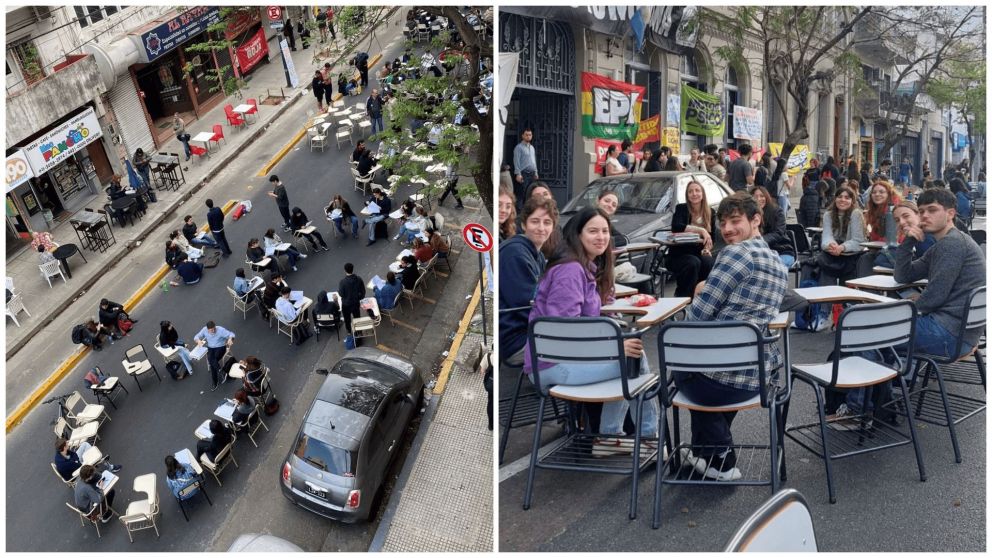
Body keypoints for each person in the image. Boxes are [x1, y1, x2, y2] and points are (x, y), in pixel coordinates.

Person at [833, 189, 985, 428]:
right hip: (959, 333)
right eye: (922, 211)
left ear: (950, 214)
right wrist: (909, 241)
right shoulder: (946, 243)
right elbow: (903, 275)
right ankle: (882, 405)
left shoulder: (952, 244)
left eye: (932, 210)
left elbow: (933, 298)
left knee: (863, 333)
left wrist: (903, 307)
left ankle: (858, 411)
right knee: (875, 333)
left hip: (949, 335)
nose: (924, 216)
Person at [524, 207, 660, 454]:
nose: (601, 237)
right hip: (552, 365)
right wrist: (614, 347)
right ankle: (647, 439)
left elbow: (587, 313)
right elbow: (564, 330)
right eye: (593, 231)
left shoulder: (581, 266)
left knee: (632, 354)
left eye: (605, 231)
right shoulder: (571, 270)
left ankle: (613, 436)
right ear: (578, 235)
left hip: (556, 360)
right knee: (634, 359)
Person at [677, 192, 788, 480]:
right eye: (723, 223)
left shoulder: (735, 254)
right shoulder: (778, 263)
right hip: (759, 377)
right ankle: (705, 453)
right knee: (702, 366)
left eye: (735, 221)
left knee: (679, 362)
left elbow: (697, 317)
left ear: (756, 220)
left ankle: (721, 458)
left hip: (720, 378)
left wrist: (697, 294)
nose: (727, 229)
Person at [499, 196, 557, 365]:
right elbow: (530, 306)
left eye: (547, 222)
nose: (541, 228)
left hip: (530, 332)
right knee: (584, 346)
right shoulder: (515, 254)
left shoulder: (536, 254)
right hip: (517, 342)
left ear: (553, 227)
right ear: (524, 224)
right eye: (535, 221)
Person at [816, 185, 865, 320]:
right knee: (825, 269)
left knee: (848, 281)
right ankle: (824, 313)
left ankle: (847, 315)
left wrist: (842, 247)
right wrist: (831, 245)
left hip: (851, 255)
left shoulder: (856, 214)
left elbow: (858, 241)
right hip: (832, 254)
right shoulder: (828, 214)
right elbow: (826, 237)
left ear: (852, 200)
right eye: (840, 196)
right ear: (835, 198)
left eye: (847, 197)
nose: (843, 200)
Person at [669, 181, 716, 297]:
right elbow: (676, 226)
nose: (694, 194)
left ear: (702, 194)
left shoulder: (710, 212)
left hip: (699, 253)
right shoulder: (681, 208)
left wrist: (707, 249)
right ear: (687, 195)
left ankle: (702, 296)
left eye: (697, 190)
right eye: (690, 191)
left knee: (708, 262)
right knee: (693, 263)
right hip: (679, 254)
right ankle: (684, 297)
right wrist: (701, 230)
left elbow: (712, 238)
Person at [857, 180, 902, 276]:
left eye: (881, 192)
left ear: (889, 194)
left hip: (896, 251)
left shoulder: (894, 210)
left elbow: (897, 238)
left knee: (865, 259)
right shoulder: (875, 211)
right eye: (874, 192)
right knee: (862, 258)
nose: (877, 194)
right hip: (882, 249)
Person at [749, 186, 795, 267]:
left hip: (782, 250)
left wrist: (760, 240)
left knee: (775, 268)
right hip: (760, 253)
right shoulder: (749, 214)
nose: (758, 199)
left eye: (762, 196)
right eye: (755, 197)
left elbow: (778, 233)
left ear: (767, 197)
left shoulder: (777, 211)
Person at [54, 437, 121, 482]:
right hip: (74, 474)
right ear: (64, 447)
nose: (68, 444)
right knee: (89, 461)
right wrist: (83, 460)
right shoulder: (63, 463)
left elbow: (74, 454)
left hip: (75, 463)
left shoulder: (61, 452)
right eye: (67, 444)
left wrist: (76, 459)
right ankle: (105, 465)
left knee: (85, 444)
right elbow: (77, 465)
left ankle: (98, 461)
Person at [194, 321, 235, 391]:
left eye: (214, 329)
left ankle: (215, 382)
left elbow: (232, 334)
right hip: (210, 348)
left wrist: (230, 339)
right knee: (213, 361)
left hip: (220, 347)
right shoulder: (204, 330)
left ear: (215, 326)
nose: (213, 331)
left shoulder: (220, 330)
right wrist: (198, 341)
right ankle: (221, 371)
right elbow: (196, 337)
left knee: (212, 361)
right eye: (211, 330)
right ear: (207, 329)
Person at [513, 128, 538, 208]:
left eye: (530, 135)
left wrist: (536, 172)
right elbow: (516, 161)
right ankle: (520, 211)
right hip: (523, 174)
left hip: (532, 174)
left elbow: (534, 161)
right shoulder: (519, 147)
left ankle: (528, 211)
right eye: (526, 135)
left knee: (531, 193)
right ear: (523, 136)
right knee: (522, 194)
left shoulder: (532, 148)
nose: (528, 136)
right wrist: (518, 174)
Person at [338, 263, 366, 334]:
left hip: (346, 304)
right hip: (355, 303)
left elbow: (341, 294)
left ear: (345, 270)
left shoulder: (343, 282)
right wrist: (358, 298)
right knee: (357, 317)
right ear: (352, 269)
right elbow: (363, 291)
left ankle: (349, 331)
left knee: (347, 319)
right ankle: (359, 332)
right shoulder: (358, 279)